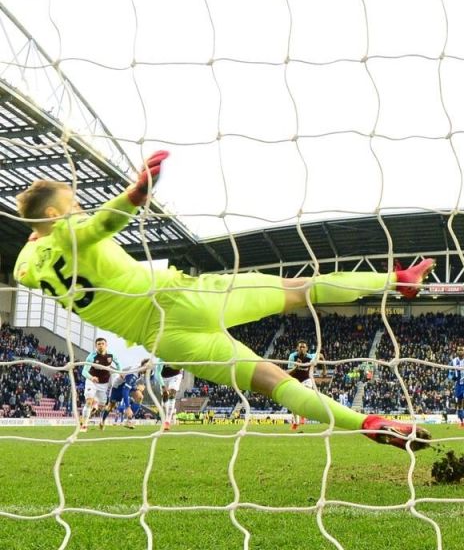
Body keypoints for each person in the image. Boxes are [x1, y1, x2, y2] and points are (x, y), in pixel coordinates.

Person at [13, 151, 434, 449]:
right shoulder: (74, 231)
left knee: (275, 383)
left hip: (165, 340)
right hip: (184, 298)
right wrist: (136, 194)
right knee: (299, 290)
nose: (81, 206)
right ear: (55, 217)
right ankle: (397, 281)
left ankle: (366, 423)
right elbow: (102, 223)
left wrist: (36, 235)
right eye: (73, 202)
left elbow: (29, 260)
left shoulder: (28, 266)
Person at [80, 338, 120, 432]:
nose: (101, 345)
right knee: (89, 401)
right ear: (96, 346)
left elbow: (118, 364)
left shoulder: (111, 355)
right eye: (98, 344)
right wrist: (91, 377)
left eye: (102, 343)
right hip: (92, 382)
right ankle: (84, 425)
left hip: (104, 383)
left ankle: (96, 404)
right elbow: (84, 371)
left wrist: (120, 373)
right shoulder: (91, 356)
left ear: (106, 345)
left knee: (102, 406)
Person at [286, 341, 317, 431]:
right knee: (292, 404)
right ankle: (296, 422)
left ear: (307, 349)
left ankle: (303, 415)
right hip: (295, 380)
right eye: (300, 347)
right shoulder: (292, 356)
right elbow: (289, 372)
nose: (302, 348)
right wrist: (296, 366)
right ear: (297, 348)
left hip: (307, 380)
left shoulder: (310, 356)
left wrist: (324, 370)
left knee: (305, 396)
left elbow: (321, 355)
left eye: (304, 347)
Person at [154, 357, 183, 431]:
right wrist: (163, 386)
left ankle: (167, 421)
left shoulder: (178, 355)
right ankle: (165, 415)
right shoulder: (162, 357)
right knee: (165, 397)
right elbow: (157, 373)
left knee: (172, 394)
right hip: (163, 378)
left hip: (175, 376)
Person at [448, 346, 464, 429]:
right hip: (458, 385)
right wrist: (452, 377)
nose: (461, 351)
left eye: (462, 350)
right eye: (459, 350)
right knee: (459, 404)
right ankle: (462, 422)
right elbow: (450, 372)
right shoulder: (454, 361)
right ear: (457, 351)